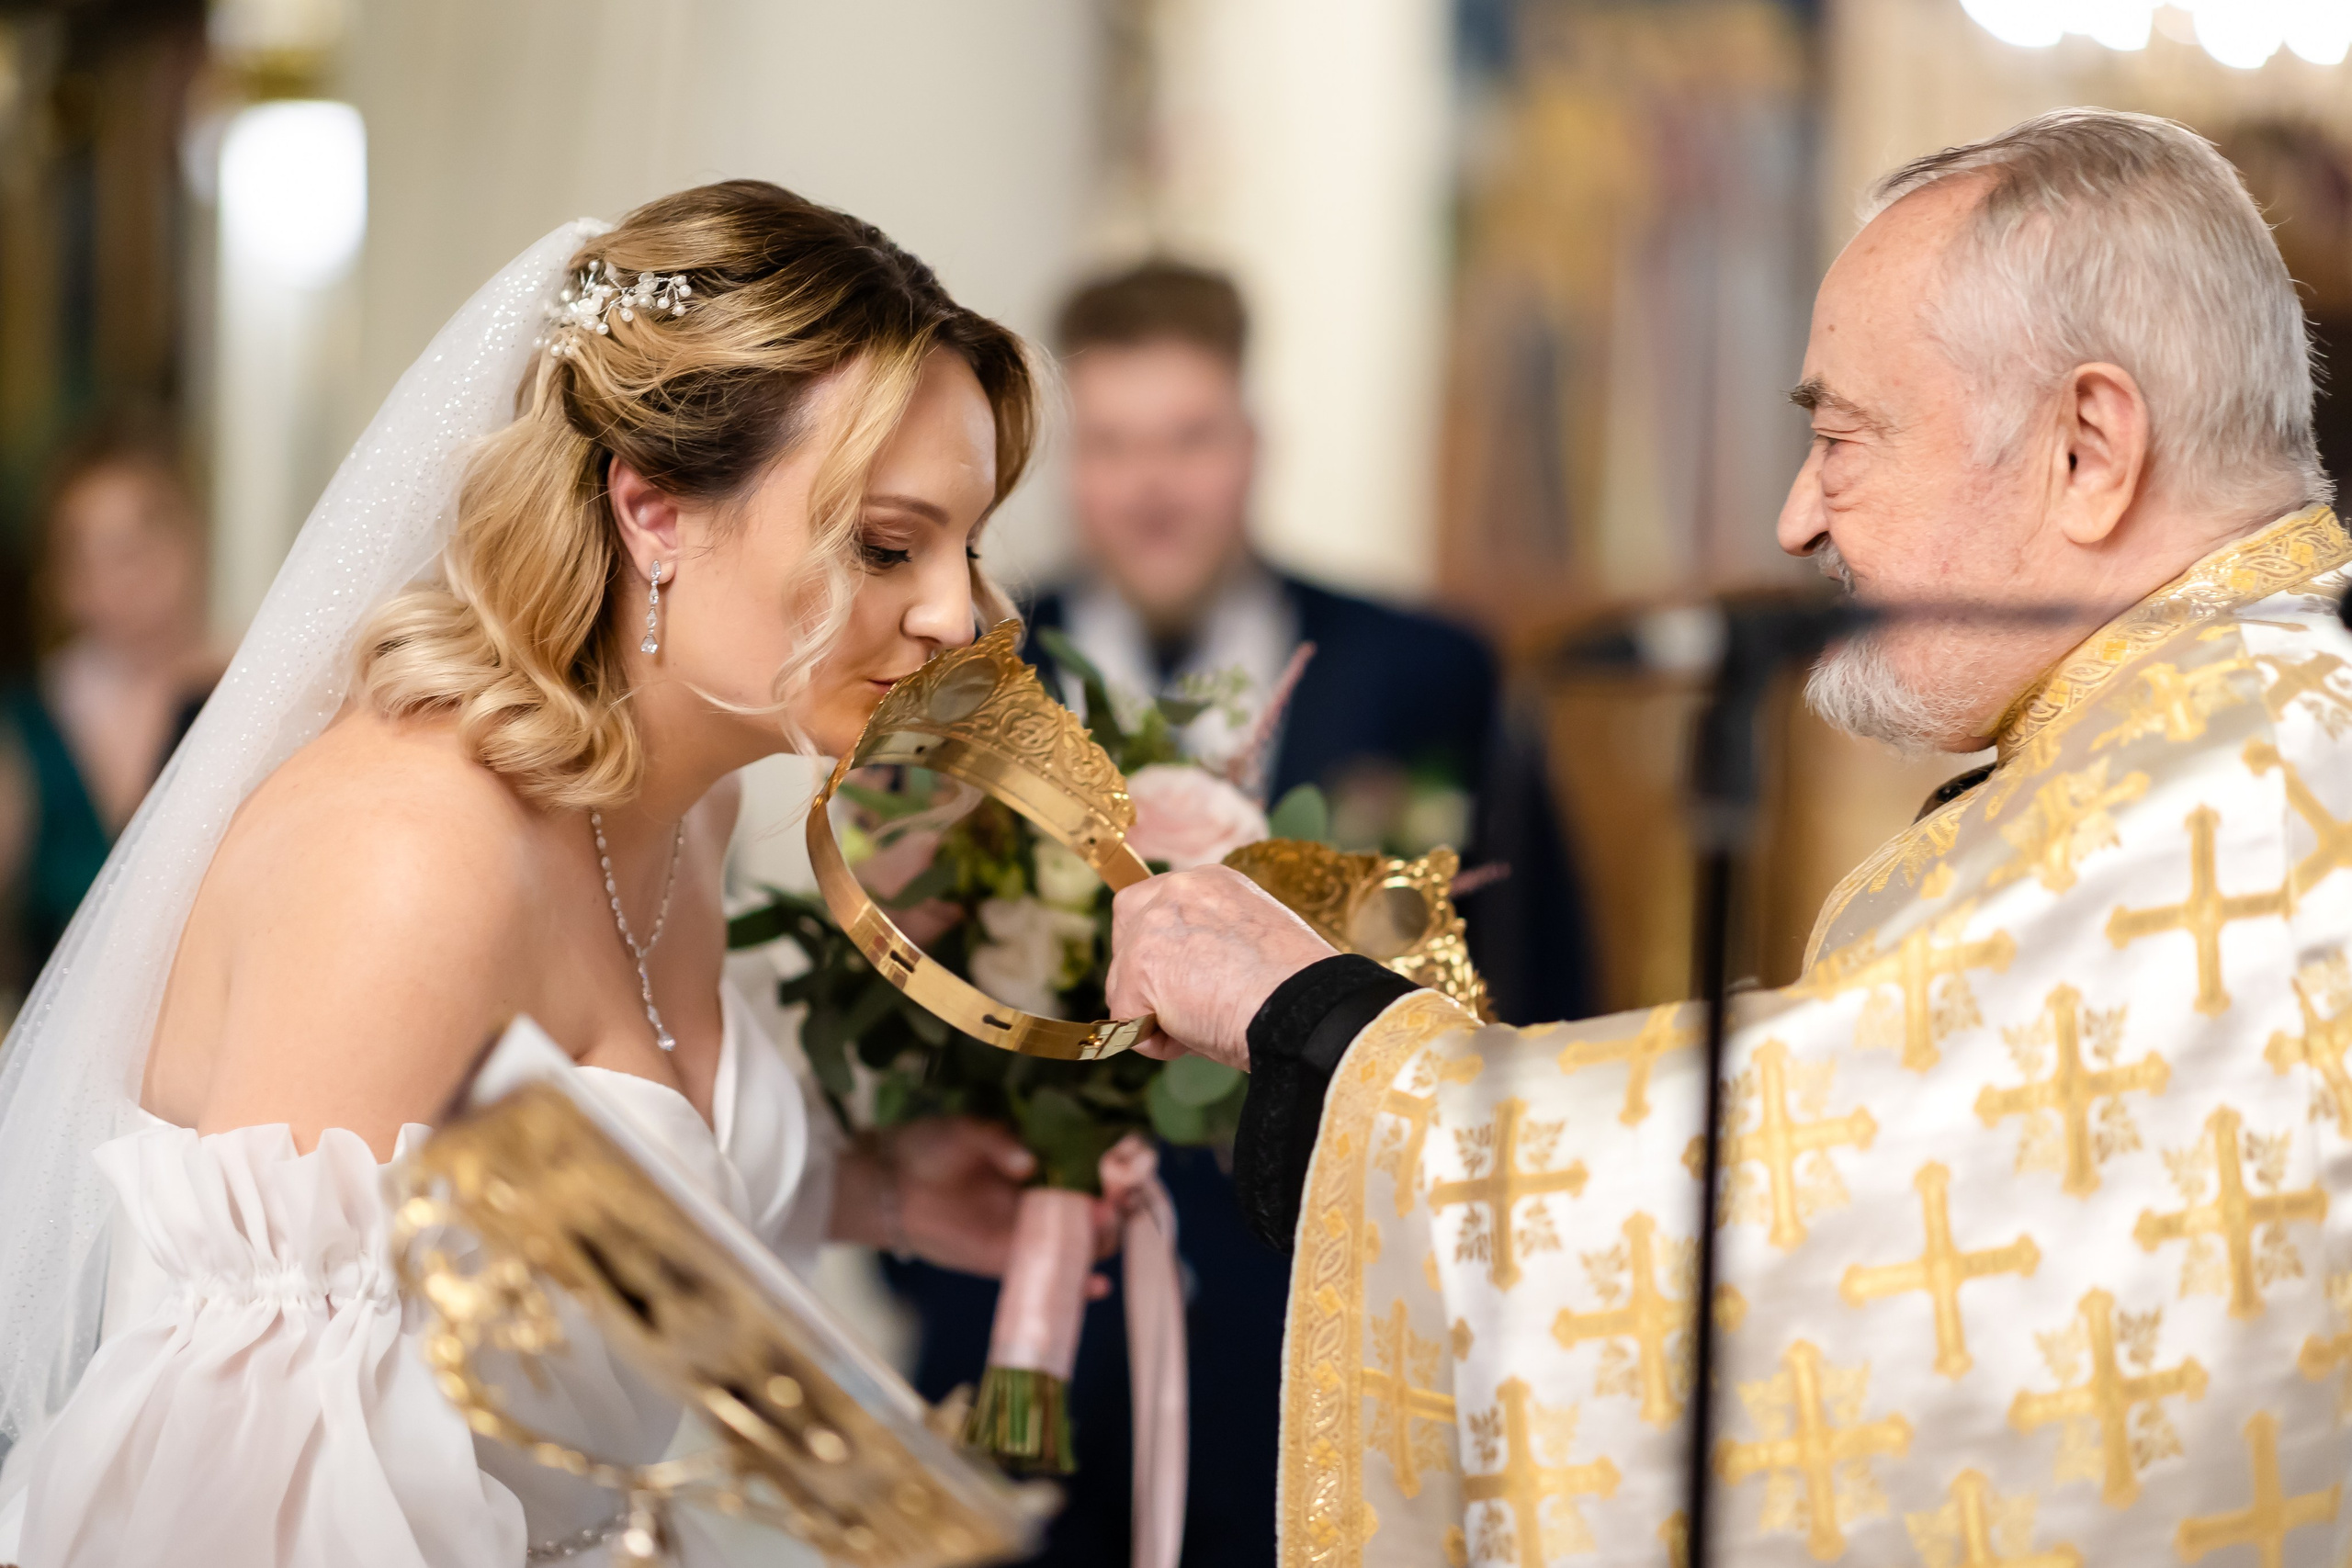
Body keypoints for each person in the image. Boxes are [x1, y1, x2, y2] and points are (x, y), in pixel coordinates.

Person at [1107, 109, 2352, 1563]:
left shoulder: (2221, 787)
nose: (1791, 517)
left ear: (2089, 446)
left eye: (1840, 437)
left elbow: (1810, 1215)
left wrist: (1310, 1019)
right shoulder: (2238, 725)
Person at [0, 182, 1084, 1567]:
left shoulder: (674, 808)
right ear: (654, 514)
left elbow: (563, 1235)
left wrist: (877, 1188)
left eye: (966, 543)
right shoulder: (406, 866)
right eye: (885, 543)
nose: (963, 616)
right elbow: (248, 1511)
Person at [891, 262, 1599, 1568]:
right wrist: (935, 1274)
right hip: (1025, 1325)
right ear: (1063, 466)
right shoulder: (957, 676)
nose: (1153, 485)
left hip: (1331, 1311)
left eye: (1190, 438)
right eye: (1113, 444)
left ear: (1252, 444)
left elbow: (1537, 971)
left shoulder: (1425, 669)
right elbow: (899, 999)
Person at [0, 431, 221, 985]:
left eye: (136, 545)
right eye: (87, 553)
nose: (120, 577)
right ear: (57, 579)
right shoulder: (25, 723)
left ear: (193, 537)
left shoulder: (255, 692)